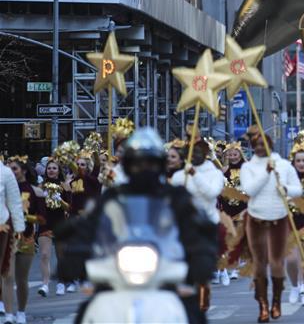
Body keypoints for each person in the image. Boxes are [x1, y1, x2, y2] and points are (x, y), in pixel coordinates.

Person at [56, 128, 218, 324]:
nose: (143, 168)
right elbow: (89, 225)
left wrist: (202, 253)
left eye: (150, 163)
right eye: (137, 163)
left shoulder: (177, 197)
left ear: (160, 165)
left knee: (194, 315)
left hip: (164, 273)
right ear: (128, 165)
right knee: (85, 313)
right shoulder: (112, 197)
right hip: (116, 274)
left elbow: (197, 227)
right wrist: (75, 251)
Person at [240, 126, 302, 323]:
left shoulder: (284, 165)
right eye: (256, 145)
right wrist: (265, 173)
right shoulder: (247, 167)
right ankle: (263, 305)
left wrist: (286, 189)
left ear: (270, 144)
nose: (260, 148)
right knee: (259, 263)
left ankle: (276, 301)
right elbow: (249, 190)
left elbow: (298, 189)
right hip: (256, 219)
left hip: (278, 218)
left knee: (277, 262)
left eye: (263, 144)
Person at [171, 138, 225, 313]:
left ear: (205, 154)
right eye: (191, 153)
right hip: (185, 226)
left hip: (207, 225)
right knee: (185, 266)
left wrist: (195, 175)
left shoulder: (215, 174)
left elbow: (211, 193)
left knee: (202, 266)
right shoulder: (179, 176)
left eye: (198, 152)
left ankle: (203, 299)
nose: (194, 156)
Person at [1, 158, 44, 324]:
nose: (11, 172)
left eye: (15, 169)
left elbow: (42, 218)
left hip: (26, 237)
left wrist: (26, 217)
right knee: (7, 276)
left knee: (21, 279)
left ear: (23, 171)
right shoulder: (3, 189)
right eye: (9, 169)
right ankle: (9, 315)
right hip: (8, 236)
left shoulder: (35, 191)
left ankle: (21, 312)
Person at [38, 159, 69, 297]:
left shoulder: (64, 185)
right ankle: (45, 284)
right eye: (49, 168)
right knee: (45, 255)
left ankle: (61, 283)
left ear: (58, 171)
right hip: (45, 224)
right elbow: (35, 206)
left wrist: (60, 200)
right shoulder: (41, 186)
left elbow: (70, 207)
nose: (51, 170)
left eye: (54, 168)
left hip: (60, 223)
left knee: (61, 256)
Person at [286, 147, 304, 306]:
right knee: (291, 260)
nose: (301, 163)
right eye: (298, 161)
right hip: (291, 223)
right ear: (294, 163)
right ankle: (295, 286)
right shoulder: (287, 181)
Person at [217, 141, 246, 284]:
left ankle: (235, 266)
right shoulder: (224, 169)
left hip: (242, 205)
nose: (233, 157)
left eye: (235, 154)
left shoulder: (246, 168)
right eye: (231, 154)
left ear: (240, 155)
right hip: (227, 206)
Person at [0, 160, 24, 324]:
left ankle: (9, 314)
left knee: (7, 272)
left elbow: (15, 203)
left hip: (3, 227)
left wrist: (19, 231)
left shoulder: (6, 172)